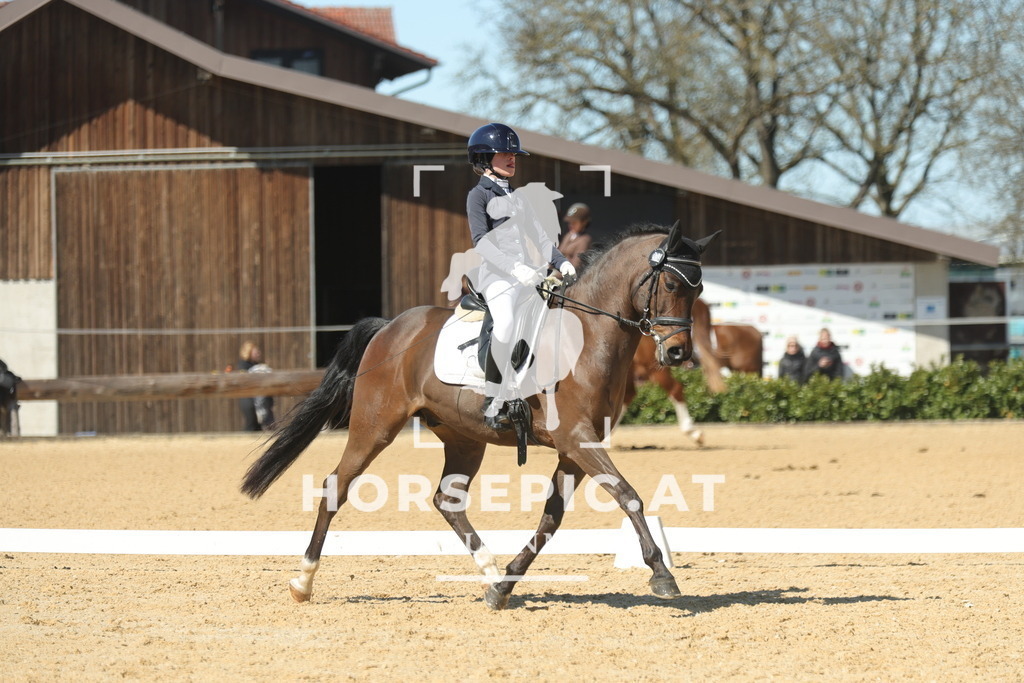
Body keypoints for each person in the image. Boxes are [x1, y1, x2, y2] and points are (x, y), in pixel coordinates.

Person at [465, 122, 577, 429]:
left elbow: (540, 237)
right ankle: (492, 400)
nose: (513, 158)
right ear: (485, 158)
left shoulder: (518, 197)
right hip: (497, 276)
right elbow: (481, 242)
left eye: (514, 154)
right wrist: (515, 268)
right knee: (507, 323)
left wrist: (560, 261)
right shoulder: (478, 196)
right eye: (504, 153)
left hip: (530, 275)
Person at [235, 341, 275, 431]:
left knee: (259, 427)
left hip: (259, 400)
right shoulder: (243, 365)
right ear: (249, 352)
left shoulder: (257, 365)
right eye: (256, 352)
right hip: (249, 399)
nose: (259, 354)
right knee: (251, 425)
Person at [558, 202, 593, 270]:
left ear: (584, 222)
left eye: (574, 222)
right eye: (570, 222)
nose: (571, 225)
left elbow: (575, 266)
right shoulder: (568, 235)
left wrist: (554, 273)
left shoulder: (585, 240)